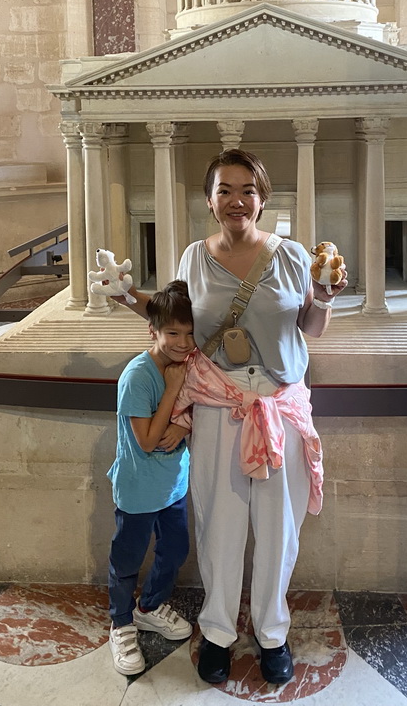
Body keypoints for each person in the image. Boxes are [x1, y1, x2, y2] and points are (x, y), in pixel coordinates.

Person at [114, 148, 345, 686]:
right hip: (219, 403)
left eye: (247, 190)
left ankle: (272, 633)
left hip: (278, 406)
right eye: (225, 190)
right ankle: (217, 632)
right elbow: (173, 319)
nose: (236, 200)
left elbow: (312, 326)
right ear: (209, 199)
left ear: (262, 199)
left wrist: (327, 294)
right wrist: (126, 297)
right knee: (219, 522)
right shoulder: (194, 257)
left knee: (277, 526)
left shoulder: (290, 256)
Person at [106, 281, 196, 675]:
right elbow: (145, 441)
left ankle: (149, 607)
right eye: (173, 332)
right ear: (153, 330)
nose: (182, 341)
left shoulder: (189, 364)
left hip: (173, 485)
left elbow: (203, 406)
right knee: (126, 560)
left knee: (175, 550)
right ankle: (121, 623)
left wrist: (184, 427)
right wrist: (173, 389)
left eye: (190, 333)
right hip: (139, 489)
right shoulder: (138, 376)